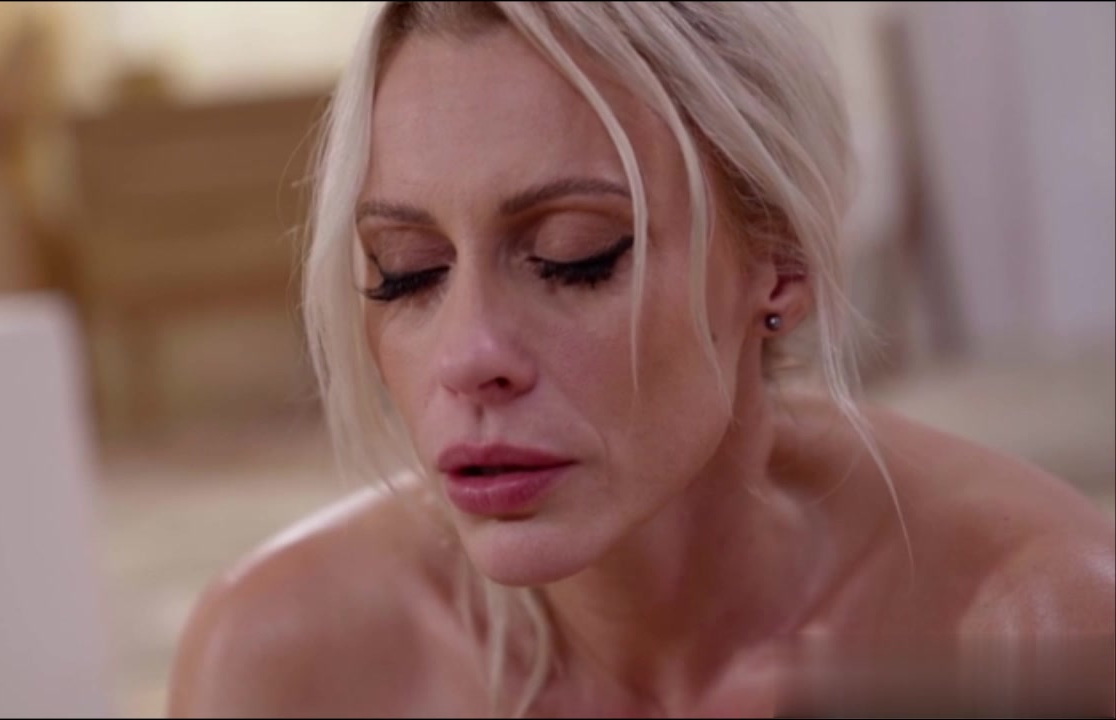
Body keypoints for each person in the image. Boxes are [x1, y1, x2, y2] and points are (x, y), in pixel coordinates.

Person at [169, 2, 1115, 716]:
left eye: (575, 255)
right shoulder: (287, 663)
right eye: (409, 272)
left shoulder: (1028, 634)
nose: (469, 355)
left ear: (781, 264)